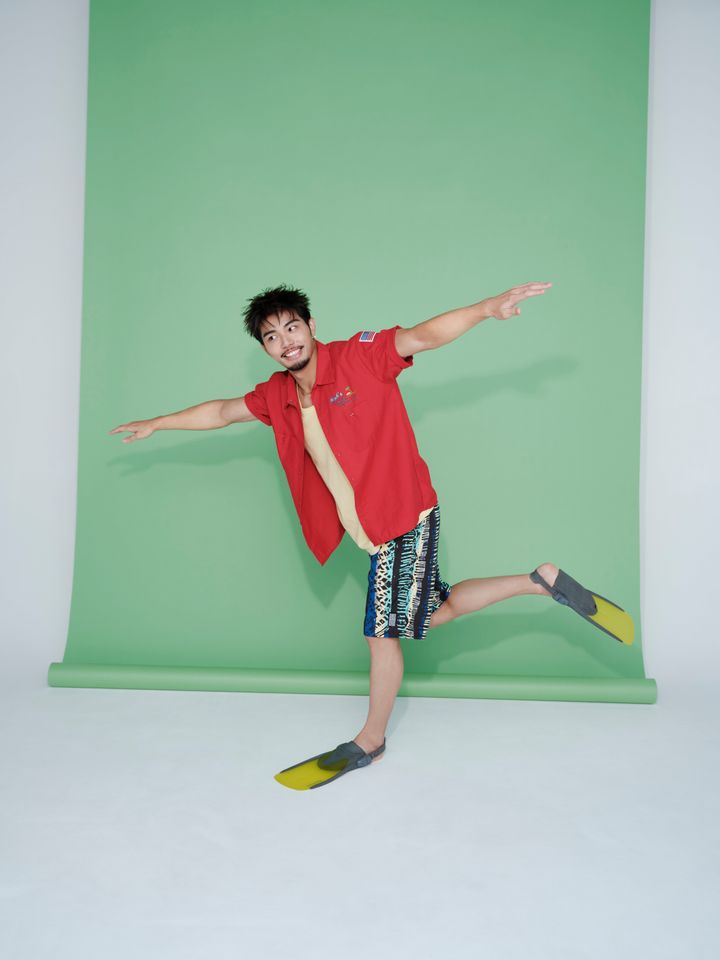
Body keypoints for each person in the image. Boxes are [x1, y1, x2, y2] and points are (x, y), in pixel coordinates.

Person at [111, 281, 568, 768]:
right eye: (271, 337)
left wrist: (485, 308)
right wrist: (157, 423)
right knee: (433, 610)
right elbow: (222, 413)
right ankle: (538, 581)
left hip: (403, 514)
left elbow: (421, 336)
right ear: (265, 349)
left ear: (311, 326)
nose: (286, 342)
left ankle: (372, 740)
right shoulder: (278, 394)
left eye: (292, 328)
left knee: (381, 633)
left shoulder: (359, 357)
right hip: (371, 529)